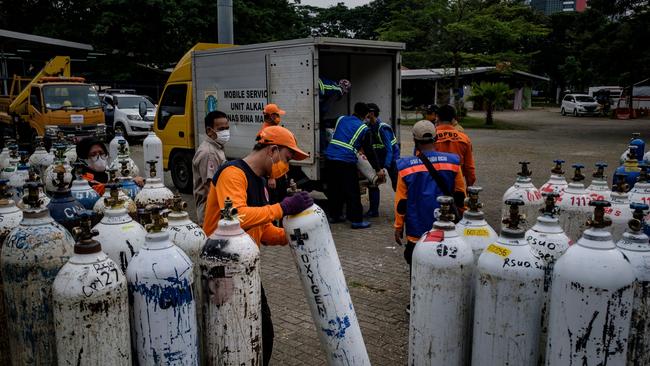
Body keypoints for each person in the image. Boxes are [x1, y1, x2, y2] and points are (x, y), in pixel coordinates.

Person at [203, 125, 314, 366]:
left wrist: (292, 235)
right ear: (272, 150)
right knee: (235, 336)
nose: (286, 166)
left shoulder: (260, 182)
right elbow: (236, 217)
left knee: (261, 333)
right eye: (287, 158)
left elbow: (262, 232)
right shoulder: (233, 174)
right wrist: (282, 208)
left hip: (245, 266)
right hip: (222, 269)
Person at [394, 120, 466, 312]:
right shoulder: (452, 162)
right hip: (447, 228)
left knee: (416, 265)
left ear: (414, 140)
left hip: (417, 229)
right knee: (446, 261)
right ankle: (445, 300)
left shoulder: (405, 166)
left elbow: (401, 202)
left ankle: (418, 302)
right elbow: (460, 195)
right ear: (435, 138)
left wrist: (398, 226)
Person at [324, 102, 385, 229]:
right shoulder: (363, 128)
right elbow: (369, 151)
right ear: (366, 114)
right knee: (352, 191)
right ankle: (356, 220)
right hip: (346, 160)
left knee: (335, 188)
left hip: (330, 157)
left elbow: (327, 123)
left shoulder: (341, 119)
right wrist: (378, 169)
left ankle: (335, 215)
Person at [192, 110, 229, 225]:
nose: (226, 132)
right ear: (209, 131)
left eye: (227, 128)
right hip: (211, 214)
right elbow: (210, 187)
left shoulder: (216, 147)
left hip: (216, 211)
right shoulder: (209, 153)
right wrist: (227, 212)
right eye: (221, 129)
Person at [76, 137, 144, 195]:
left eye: (102, 153)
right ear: (83, 159)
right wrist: (130, 183)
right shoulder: (80, 178)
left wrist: (132, 180)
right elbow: (102, 188)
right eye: (93, 155)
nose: (99, 157)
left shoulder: (108, 173)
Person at [365, 103, 399, 217]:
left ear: (372, 113)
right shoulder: (368, 126)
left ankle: (403, 211)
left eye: (367, 112)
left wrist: (385, 167)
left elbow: (389, 150)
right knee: (373, 183)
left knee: (397, 185)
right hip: (378, 159)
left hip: (392, 159)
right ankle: (374, 211)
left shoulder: (383, 128)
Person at [434, 105, 476, 186]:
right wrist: (469, 187)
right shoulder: (464, 138)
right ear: (454, 118)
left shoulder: (429, 138)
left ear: (437, 117)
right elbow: (469, 169)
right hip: (457, 185)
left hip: (434, 185)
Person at [260, 104, 290, 203]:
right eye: (277, 115)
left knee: (282, 199)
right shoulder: (266, 132)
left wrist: (284, 171)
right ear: (272, 116)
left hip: (279, 172)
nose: (279, 118)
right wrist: (271, 177)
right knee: (276, 201)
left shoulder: (272, 129)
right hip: (274, 175)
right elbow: (267, 156)